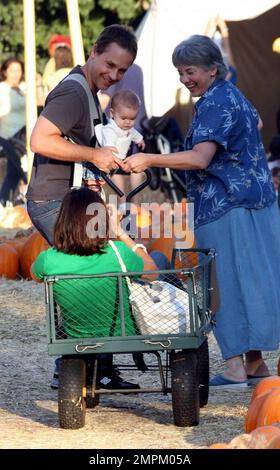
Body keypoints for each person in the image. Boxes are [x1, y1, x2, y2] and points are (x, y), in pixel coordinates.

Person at [124, 34, 280, 390]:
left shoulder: (213, 103)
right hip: (258, 200)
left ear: (212, 69)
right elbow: (254, 125)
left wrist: (149, 158)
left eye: (189, 71)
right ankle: (256, 363)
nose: (184, 79)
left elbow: (199, 159)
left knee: (222, 283)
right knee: (253, 280)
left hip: (224, 205)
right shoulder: (233, 94)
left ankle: (236, 368)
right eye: (180, 72)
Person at [26, 24, 140, 390]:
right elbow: (39, 139)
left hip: (69, 200)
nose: (113, 75)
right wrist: (92, 153)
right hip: (53, 202)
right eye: (109, 65)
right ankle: (87, 365)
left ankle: (86, 365)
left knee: (98, 269)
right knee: (102, 266)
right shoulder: (74, 93)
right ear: (93, 51)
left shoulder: (89, 92)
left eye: (122, 71)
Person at [31, 187, 159, 389]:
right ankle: (104, 373)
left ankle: (97, 372)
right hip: (121, 331)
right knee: (158, 258)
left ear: (63, 221)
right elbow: (153, 273)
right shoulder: (116, 251)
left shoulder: (48, 259)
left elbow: (36, 277)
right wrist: (122, 234)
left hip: (75, 330)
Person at [99, 63, 147, 200]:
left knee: (118, 167)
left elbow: (106, 98)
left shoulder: (116, 69)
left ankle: (122, 200)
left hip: (120, 122)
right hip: (137, 120)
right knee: (135, 163)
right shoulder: (138, 69)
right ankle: (135, 202)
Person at [0, 58, 44, 205]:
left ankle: (4, 202)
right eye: (12, 70)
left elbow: (41, 102)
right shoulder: (2, 88)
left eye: (18, 70)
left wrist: (38, 84)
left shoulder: (23, 88)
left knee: (13, 172)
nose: (15, 74)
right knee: (24, 168)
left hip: (25, 133)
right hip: (8, 135)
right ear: (5, 71)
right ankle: (30, 200)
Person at [83, 90, 145, 185]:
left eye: (132, 119)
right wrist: (109, 149)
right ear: (112, 113)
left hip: (121, 157)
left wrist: (139, 140)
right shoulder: (110, 129)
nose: (127, 122)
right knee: (108, 175)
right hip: (111, 157)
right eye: (123, 118)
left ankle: (127, 198)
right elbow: (108, 140)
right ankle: (94, 181)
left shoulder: (128, 128)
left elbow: (134, 133)